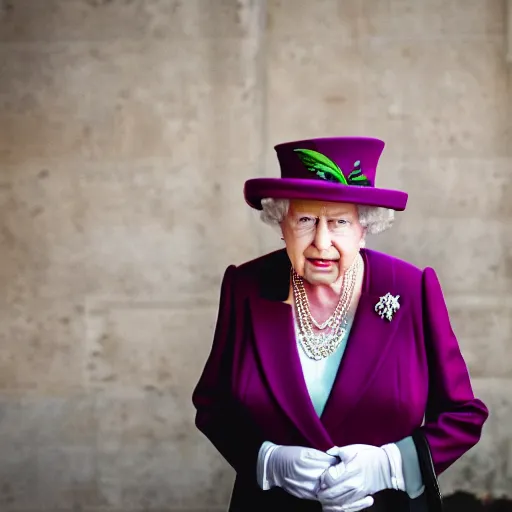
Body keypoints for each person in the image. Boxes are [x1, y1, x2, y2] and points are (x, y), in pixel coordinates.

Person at [191, 137, 489, 512]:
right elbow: (213, 404)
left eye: (339, 222)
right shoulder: (245, 286)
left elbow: (463, 416)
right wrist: (267, 461)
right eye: (304, 220)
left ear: (364, 227)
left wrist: (391, 466)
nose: (322, 241)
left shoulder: (412, 290)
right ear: (280, 223)